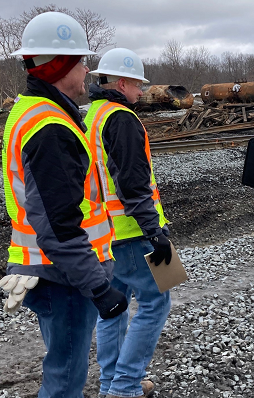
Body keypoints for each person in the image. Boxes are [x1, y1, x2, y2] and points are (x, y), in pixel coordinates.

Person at [0, 12, 129, 398]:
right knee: (66, 376)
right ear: (60, 65)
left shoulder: (31, 111)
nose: (87, 71)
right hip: (64, 274)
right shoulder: (51, 125)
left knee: (63, 366)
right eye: (82, 62)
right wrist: (99, 288)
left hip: (49, 267)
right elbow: (58, 224)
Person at [84, 48, 172, 398]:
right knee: (157, 302)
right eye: (138, 85)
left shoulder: (92, 115)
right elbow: (133, 185)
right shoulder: (122, 118)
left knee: (114, 308)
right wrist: (155, 231)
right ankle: (124, 387)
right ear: (122, 82)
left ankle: (113, 384)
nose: (141, 93)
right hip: (135, 231)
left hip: (103, 234)